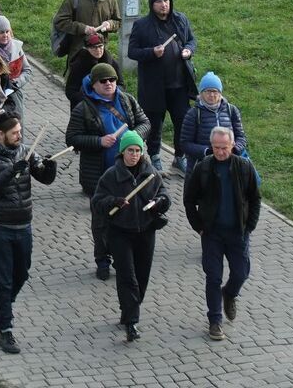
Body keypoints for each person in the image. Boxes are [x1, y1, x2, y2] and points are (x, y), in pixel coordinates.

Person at [0, 110, 57, 355]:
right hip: (1, 227)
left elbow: (44, 178)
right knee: (4, 279)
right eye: (15, 133)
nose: (19, 136)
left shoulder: (24, 150)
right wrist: (12, 170)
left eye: (20, 132)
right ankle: (6, 330)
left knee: (22, 273)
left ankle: (5, 305)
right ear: (1, 134)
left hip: (24, 225)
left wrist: (50, 166)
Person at [66, 63, 150, 282]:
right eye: (103, 81)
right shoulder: (83, 108)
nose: (109, 84)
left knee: (130, 214)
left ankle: (126, 257)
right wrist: (98, 141)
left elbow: (144, 122)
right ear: (94, 84)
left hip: (130, 172)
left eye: (112, 80)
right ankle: (102, 261)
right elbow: (72, 138)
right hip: (101, 174)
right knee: (101, 221)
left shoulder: (127, 100)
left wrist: (134, 138)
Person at [91, 130, 171, 342]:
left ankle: (129, 309)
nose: (134, 154)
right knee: (128, 277)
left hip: (145, 231)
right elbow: (97, 202)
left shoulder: (151, 173)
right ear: (122, 152)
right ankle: (131, 322)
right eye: (130, 150)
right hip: (120, 232)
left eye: (137, 150)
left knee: (142, 277)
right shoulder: (111, 176)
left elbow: (165, 196)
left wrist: (159, 203)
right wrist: (113, 201)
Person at [184, 126, 260, 342]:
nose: (220, 152)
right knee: (213, 277)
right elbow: (189, 199)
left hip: (238, 233)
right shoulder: (204, 168)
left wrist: (250, 226)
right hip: (212, 234)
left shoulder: (244, 167)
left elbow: (255, 198)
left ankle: (230, 294)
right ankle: (215, 320)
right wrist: (198, 226)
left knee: (241, 273)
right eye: (216, 147)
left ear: (232, 145)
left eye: (224, 147)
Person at [127, 0, 197, 173]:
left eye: (166, 1)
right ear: (152, 4)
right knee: (155, 123)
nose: (164, 5)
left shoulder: (180, 20)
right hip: (154, 86)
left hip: (179, 85)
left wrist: (188, 50)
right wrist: (151, 52)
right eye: (159, 2)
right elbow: (132, 52)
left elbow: (191, 39)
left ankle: (179, 156)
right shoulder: (142, 25)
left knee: (182, 122)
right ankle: (155, 156)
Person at [53, 0, 121, 63]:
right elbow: (60, 21)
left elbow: (118, 22)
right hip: (79, 51)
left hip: (101, 51)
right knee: (77, 78)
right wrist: (83, 28)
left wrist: (110, 24)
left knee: (102, 77)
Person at [180, 72, 247, 171]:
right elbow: (185, 144)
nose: (212, 95)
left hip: (228, 166)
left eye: (215, 91)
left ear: (220, 93)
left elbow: (241, 137)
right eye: (208, 91)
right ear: (201, 93)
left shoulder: (231, 110)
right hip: (201, 168)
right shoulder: (193, 114)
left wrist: (234, 149)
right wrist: (207, 151)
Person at [0, 15, 29, 119]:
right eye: (1, 32)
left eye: (7, 31)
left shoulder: (16, 47)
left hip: (13, 93)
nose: (5, 35)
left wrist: (16, 82)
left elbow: (27, 70)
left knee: (15, 125)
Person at [63, 32, 124, 110]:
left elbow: (121, 84)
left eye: (100, 46)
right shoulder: (79, 64)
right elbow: (70, 91)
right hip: (86, 107)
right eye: (93, 47)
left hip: (109, 106)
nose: (98, 50)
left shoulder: (111, 62)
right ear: (87, 48)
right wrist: (90, 100)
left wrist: (112, 94)